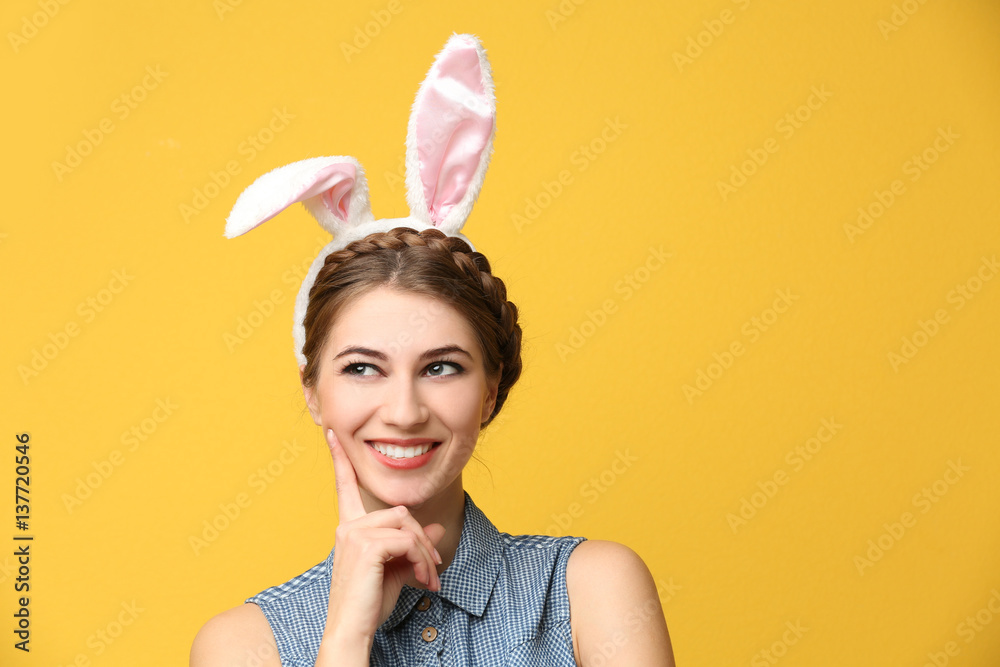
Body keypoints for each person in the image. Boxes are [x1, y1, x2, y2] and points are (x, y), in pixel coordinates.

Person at [191, 34, 675, 666]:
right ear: (313, 391)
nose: (404, 411)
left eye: (441, 367)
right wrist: (345, 637)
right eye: (362, 368)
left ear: (491, 390)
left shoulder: (592, 590)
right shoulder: (243, 644)